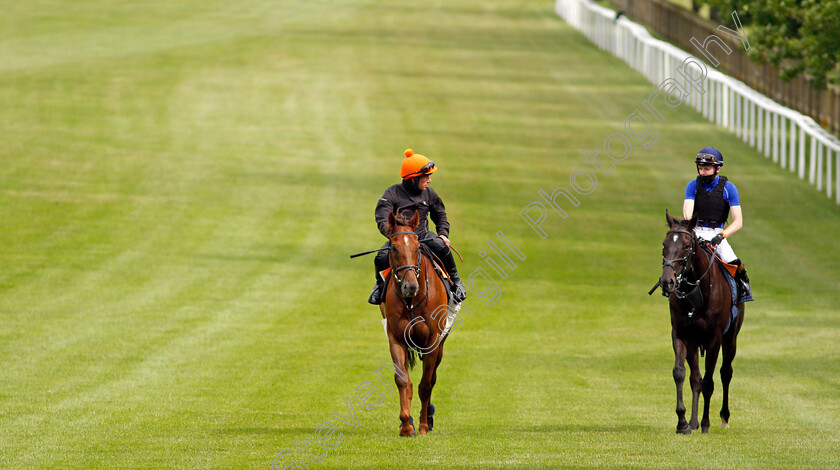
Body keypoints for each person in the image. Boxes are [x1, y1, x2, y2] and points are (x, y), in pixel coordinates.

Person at [368, 149, 467, 305]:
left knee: (441, 247)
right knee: (380, 257)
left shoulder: (429, 194)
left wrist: (443, 234)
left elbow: (440, 214)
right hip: (400, 239)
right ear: (413, 178)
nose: (429, 180)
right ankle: (379, 287)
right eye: (426, 177)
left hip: (424, 237)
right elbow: (381, 215)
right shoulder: (392, 193)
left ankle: (456, 281)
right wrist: (393, 234)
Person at [682, 146, 751, 297]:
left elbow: (738, 221)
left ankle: (742, 291)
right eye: (700, 168)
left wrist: (721, 236)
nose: (702, 172)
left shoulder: (729, 188)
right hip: (695, 232)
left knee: (734, 263)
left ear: (717, 168)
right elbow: (687, 215)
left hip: (717, 235)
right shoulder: (692, 186)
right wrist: (692, 233)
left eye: (707, 169)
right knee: (676, 259)